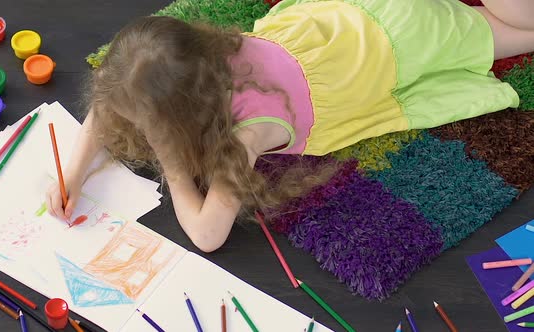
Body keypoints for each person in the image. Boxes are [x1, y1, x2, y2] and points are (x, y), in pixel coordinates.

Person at [46, 0, 534, 252]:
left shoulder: (248, 132)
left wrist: (173, 161)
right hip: (344, 25)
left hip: (404, 44)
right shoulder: (197, 59)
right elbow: (114, 103)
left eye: (153, 126)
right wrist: (73, 171)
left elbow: (207, 234)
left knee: (518, 31)